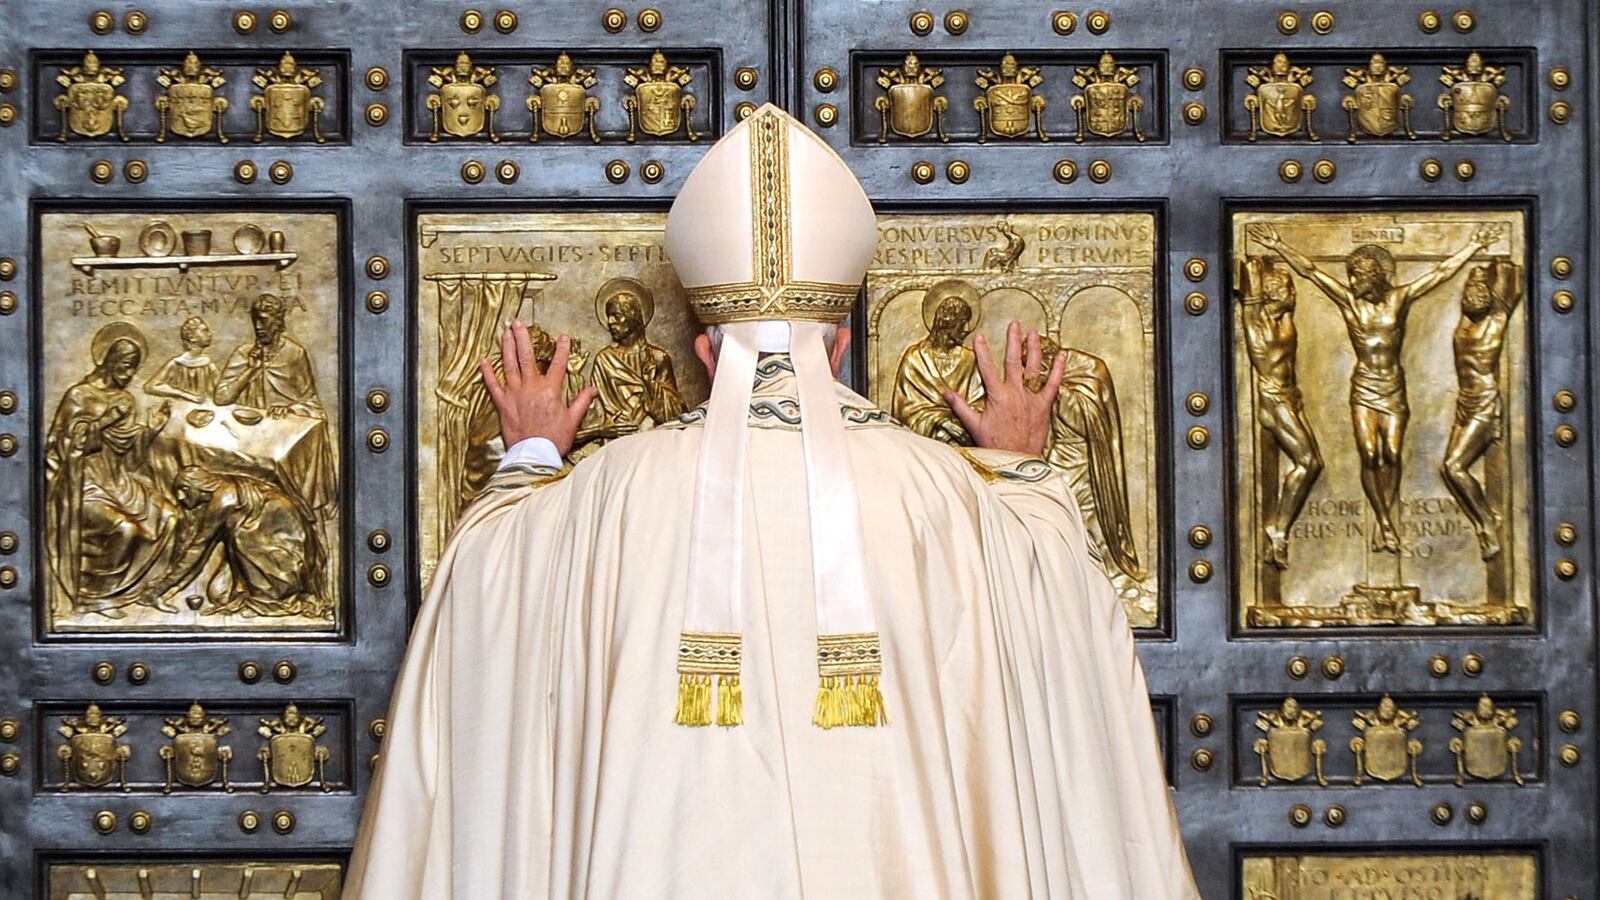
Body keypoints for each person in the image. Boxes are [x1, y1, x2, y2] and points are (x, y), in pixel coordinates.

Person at [346, 104, 1197, 899]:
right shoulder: (948, 495)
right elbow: (1062, 622)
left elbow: (486, 594)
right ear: (842, 342)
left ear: (704, 350)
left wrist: (531, 451)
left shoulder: (605, 492)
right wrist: (1016, 463)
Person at [1251, 223, 1497, 553]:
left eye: (1358, 275)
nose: (1352, 282)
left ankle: (1387, 520)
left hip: (1393, 387)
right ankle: (1384, 524)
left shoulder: (1400, 299)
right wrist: (1279, 245)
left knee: (1392, 453)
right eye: (1351, 275)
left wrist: (1473, 248)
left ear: (1376, 274)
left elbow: (1439, 274)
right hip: (1364, 387)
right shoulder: (1350, 304)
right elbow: (1310, 272)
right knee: (1369, 453)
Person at [45, 322, 180, 618]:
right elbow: (59, 445)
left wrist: (152, 428)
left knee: (170, 516)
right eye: (125, 366)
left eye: (133, 367)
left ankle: (142, 591)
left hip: (118, 482)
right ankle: (95, 596)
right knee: (125, 529)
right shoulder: (78, 396)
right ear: (108, 360)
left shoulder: (125, 399)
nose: (129, 373)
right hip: (83, 485)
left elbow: (130, 455)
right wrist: (103, 422)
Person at [1236, 257, 1323, 568]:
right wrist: (1252, 274)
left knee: (1312, 462)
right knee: (1309, 461)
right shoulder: (1259, 325)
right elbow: (1250, 302)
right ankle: (1278, 528)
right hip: (1274, 402)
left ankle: (1279, 527)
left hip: (1291, 397)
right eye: (1289, 289)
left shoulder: (1284, 320)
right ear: (1273, 293)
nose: (1294, 294)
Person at [1442, 261, 1522, 560]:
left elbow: (1513, 282)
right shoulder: (1464, 323)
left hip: (1484, 402)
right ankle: (1485, 516)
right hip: (1465, 401)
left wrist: (1496, 263)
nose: (1472, 296)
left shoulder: (1496, 320)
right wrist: (1476, 273)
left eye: (1479, 291)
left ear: (1490, 296)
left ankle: (1487, 523)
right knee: (1448, 469)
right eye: (1468, 290)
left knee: (1453, 466)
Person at [891, 278, 983, 443]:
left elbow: (980, 407)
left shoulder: (968, 359)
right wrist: (942, 423)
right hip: (926, 447)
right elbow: (904, 412)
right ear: (947, 321)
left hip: (966, 445)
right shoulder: (915, 358)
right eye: (962, 322)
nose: (967, 329)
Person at [144, 316, 221, 402]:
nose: (210, 334)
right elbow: (150, 386)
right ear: (192, 337)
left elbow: (220, 393)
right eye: (205, 331)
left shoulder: (209, 366)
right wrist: (184, 395)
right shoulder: (176, 364)